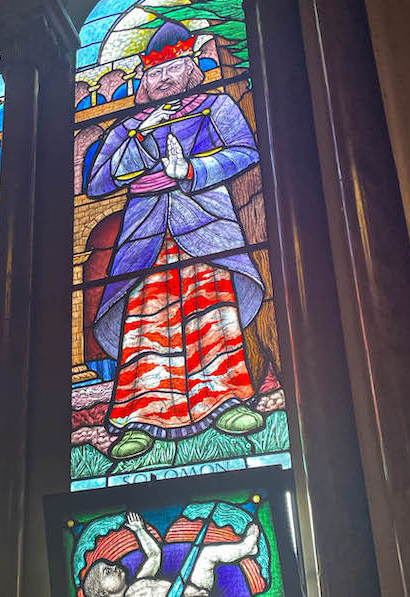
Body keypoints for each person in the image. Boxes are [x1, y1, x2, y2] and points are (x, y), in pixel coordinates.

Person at [86, 22, 269, 461]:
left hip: (205, 223)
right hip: (145, 234)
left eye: (173, 66)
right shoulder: (130, 124)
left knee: (210, 312)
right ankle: (140, 420)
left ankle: (224, 401)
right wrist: (138, 133)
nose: (163, 77)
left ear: (191, 68)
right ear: (143, 80)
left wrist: (191, 170)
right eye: (154, 71)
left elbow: (246, 151)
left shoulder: (215, 106)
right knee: (148, 325)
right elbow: (97, 182)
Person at [82, 512, 260, 597]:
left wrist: (139, 530)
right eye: (107, 572)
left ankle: (247, 548)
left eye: (109, 566)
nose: (114, 567)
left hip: (195, 588)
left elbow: (154, 554)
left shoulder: (139, 581)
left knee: (206, 554)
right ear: (102, 593)